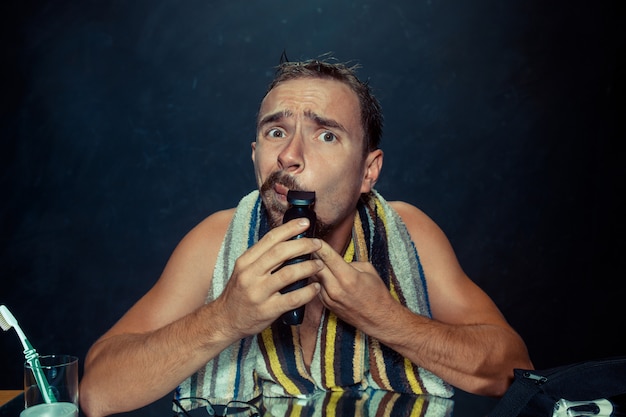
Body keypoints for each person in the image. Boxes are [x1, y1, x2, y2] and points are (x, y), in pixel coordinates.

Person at [79, 58, 533, 417]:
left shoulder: (408, 233)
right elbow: (96, 392)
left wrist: (386, 318)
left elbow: (515, 373)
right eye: (276, 132)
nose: (290, 156)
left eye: (326, 135)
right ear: (256, 156)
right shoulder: (214, 241)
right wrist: (225, 318)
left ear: (368, 172)